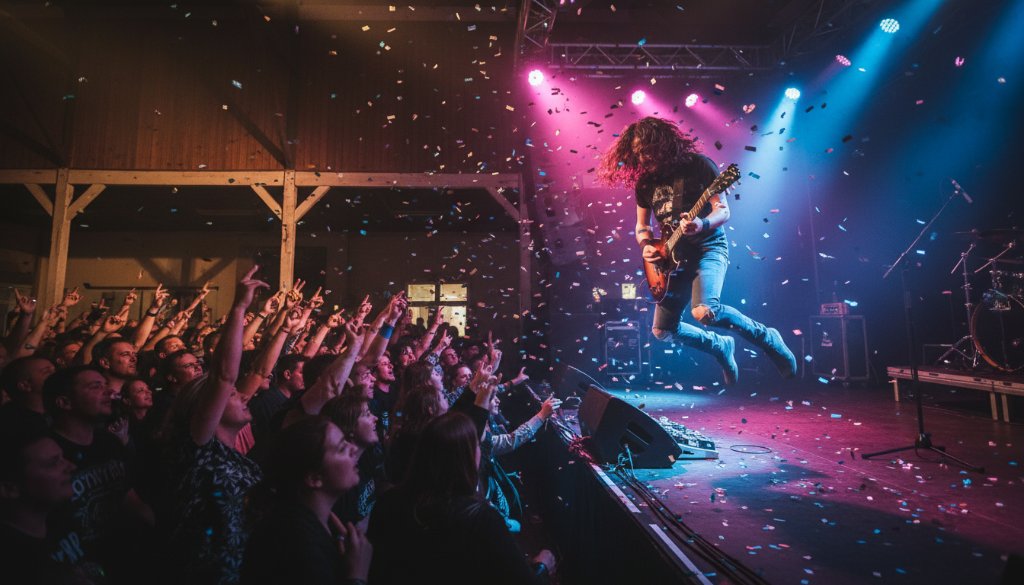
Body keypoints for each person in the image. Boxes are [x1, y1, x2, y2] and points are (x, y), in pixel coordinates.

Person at [599, 116, 797, 384]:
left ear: (662, 143)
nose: (643, 157)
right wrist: (647, 246)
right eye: (638, 153)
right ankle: (719, 346)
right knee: (662, 330)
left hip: (708, 248)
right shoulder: (645, 184)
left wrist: (701, 223)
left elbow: (722, 211)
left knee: (704, 311)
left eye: (647, 150)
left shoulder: (699, 166)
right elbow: (642, 227)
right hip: (671, 261)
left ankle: (767, 338)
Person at [369, 411, 555, 585]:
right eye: (476, 445)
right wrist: (541, 566)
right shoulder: (482, 520)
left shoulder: (389, 502)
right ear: (465, 456)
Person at [240, 416, 370, 585]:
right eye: (342, 448)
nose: (353, 449)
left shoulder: (310, 522)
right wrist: (357, 576)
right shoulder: (297, 546)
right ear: (314, 478)